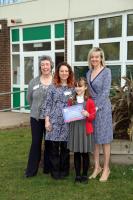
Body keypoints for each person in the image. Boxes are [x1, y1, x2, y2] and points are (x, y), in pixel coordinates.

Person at [44, 62, 74, 180]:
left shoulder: (72, 87)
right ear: (58, 73)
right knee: (54, 148)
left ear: (69, 73)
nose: (64, 73)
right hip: (54, 121)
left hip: (68, 121)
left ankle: (64, 171)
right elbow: (47, 104)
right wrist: (47, 121)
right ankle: (55, 172)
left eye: (66, 71)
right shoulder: (52, 86)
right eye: (62, 71)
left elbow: (76, 102)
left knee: (65, 148)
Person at [86, 47, 113, 182]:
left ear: (101, 58)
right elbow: (89, 92)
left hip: (102, 109)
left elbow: (106, 92)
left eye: (97, 57)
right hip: (92, 108)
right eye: (92, 57)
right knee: (95, 140)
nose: (94, 59)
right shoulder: (88, 73)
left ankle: (106, 168)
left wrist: (96, 107)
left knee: (105, 139)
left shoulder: (106, 72)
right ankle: (97, 167)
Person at [25, 55, 53, 177]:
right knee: (36, 143)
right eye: (42, 65)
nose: (45, 67)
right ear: (40, 67)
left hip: (51, 118)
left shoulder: (55, 81)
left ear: (51, 66)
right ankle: (31, 171)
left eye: (47, 64)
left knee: (49, 143)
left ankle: (48, 168)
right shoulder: (33, 82)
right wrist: (36, 109)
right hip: (36, 118)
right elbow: (29, 98)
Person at [68, 77, 96, 184]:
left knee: (85, 154)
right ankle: (77, 175)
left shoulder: (89, 101)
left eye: (80, 86)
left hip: (85, 129)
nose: (78, 88)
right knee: (77, 153)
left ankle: (84, 175)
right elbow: (68, 114)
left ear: (85, 87)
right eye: (76, 86)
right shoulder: (71, 100)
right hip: (75, 129)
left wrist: (88, 114)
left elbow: (93, 116)